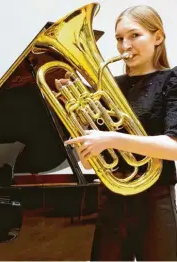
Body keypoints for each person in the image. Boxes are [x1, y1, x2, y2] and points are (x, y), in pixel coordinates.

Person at [57, 5, 177, 261]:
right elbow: (90, 162)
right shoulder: (108, 86)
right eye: (120, 38)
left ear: (158, 37)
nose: (125, 45)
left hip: (154, 201)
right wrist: (77, 118)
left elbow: (174, 146)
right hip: (110, 199)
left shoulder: (172, 80)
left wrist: (111, 138)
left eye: (135, 35)